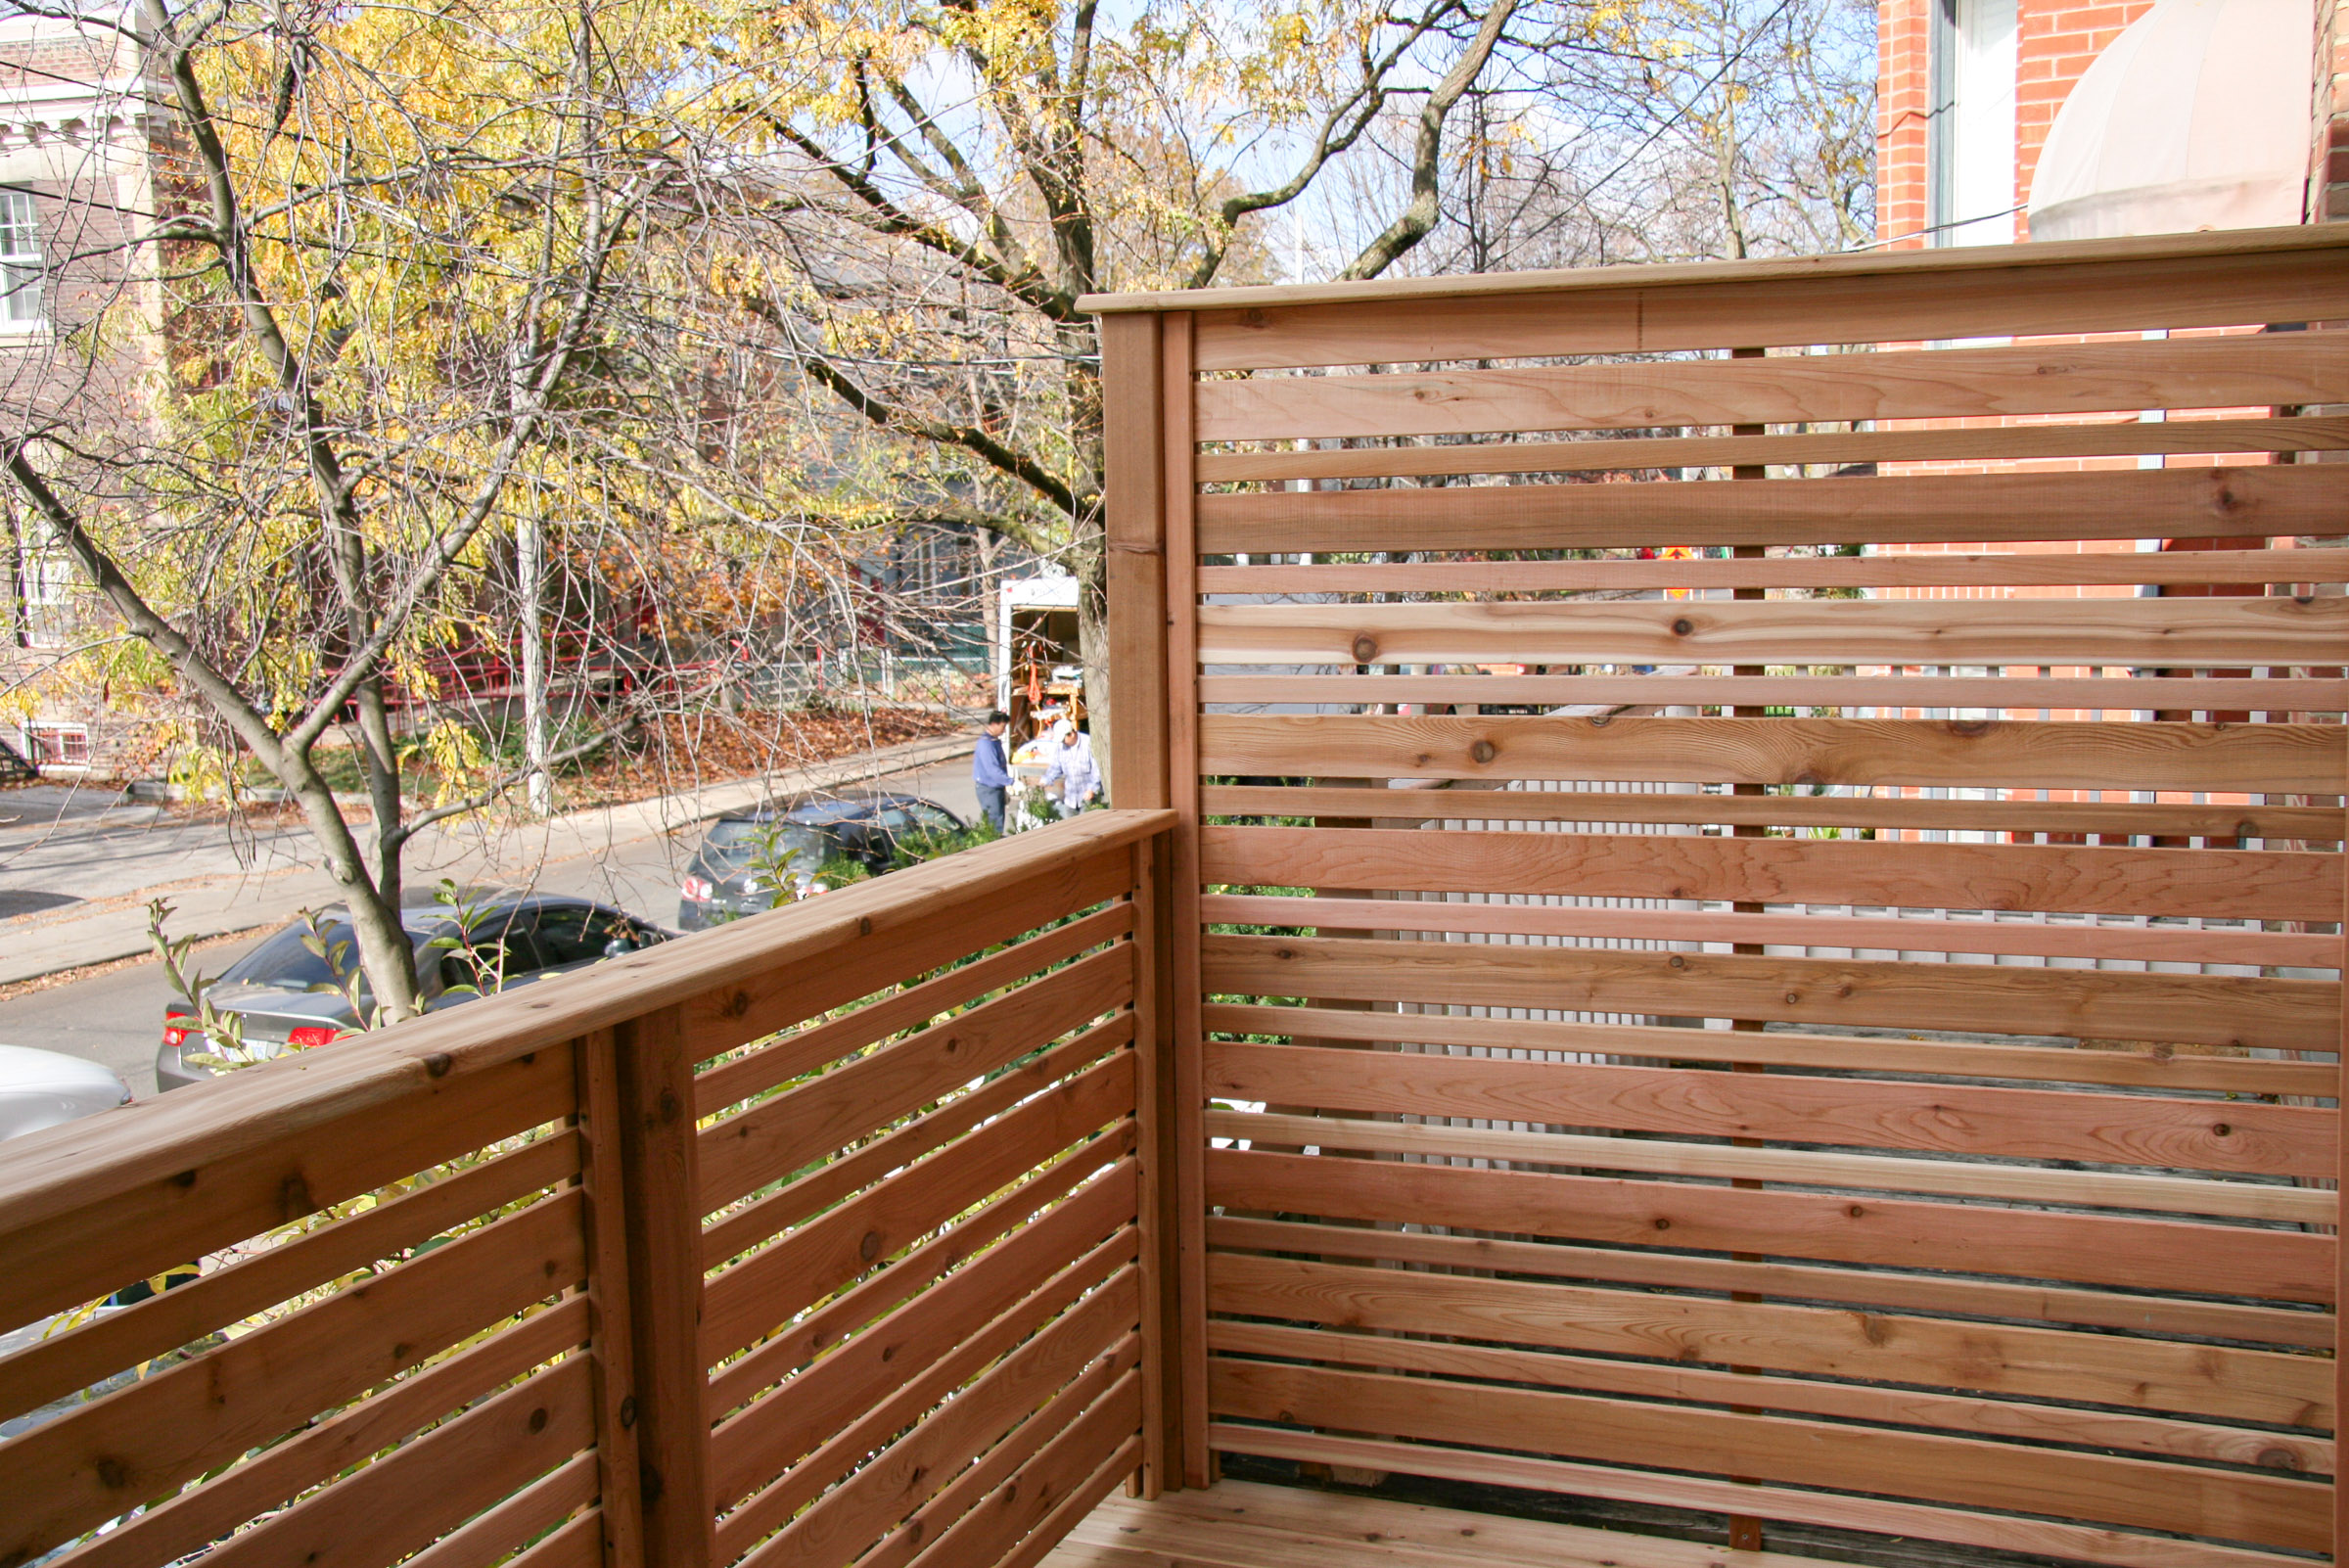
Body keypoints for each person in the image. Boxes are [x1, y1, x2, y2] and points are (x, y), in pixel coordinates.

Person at [1038, 719, 1101, 818]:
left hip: (1087, 797)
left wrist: (1092, 789)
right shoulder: (1061, 747)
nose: (1063, 742)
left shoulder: (1088, 743)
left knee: (1086, 828)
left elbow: (1096, 769)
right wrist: (1046, 779)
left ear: (1071, 734)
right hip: (1070, 799)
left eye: (1064, 739)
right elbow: (1056, 767)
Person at [972, 710, 1012, 833]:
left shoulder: (993, 741)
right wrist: (1011, 782)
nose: (1004, 730)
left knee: (997, 819)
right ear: (994, 724)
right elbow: (993, 770)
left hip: (995, 788)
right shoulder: (986, 744)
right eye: (1002, 726)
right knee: (994, 823)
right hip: (989, 789)